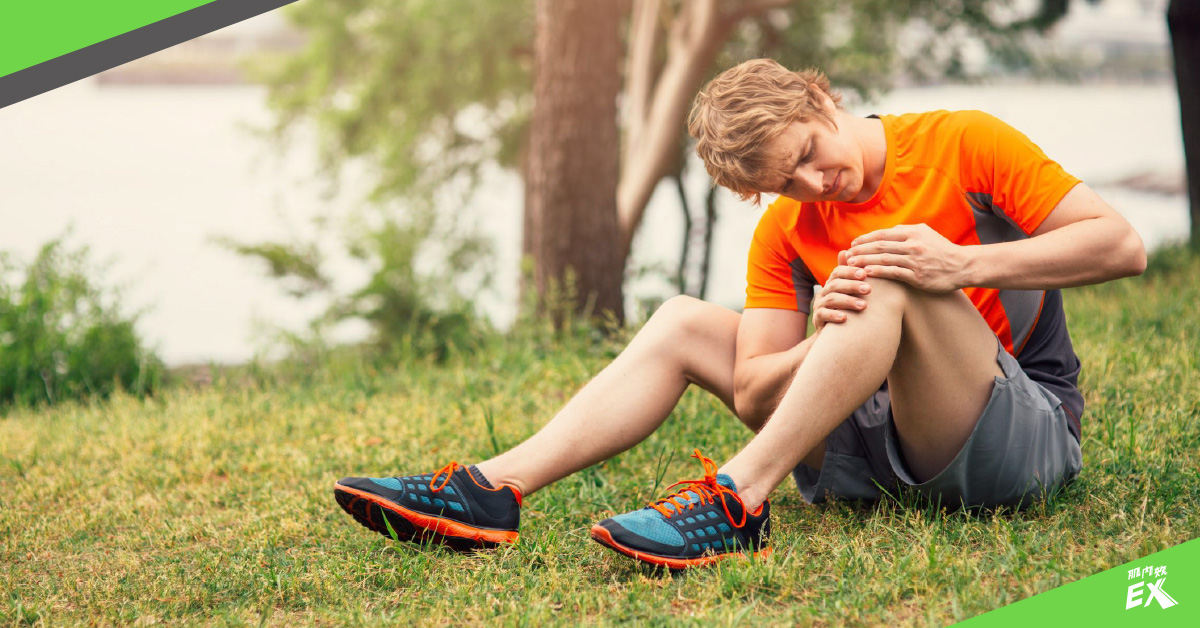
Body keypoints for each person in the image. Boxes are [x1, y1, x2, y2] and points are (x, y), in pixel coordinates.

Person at [333, 59, 1147, 570]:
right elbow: (756, 390)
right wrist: (823, 331)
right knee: (686, 317)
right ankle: (492, 490)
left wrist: (960, 266)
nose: (812, 188)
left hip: (1019, 438)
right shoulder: (788, 230)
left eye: (805, 157)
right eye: (782, 184)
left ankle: (733, 503)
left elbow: (1121, 246)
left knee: (890, 271)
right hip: (872, 458)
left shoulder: (964, 141)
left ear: (820, 99)